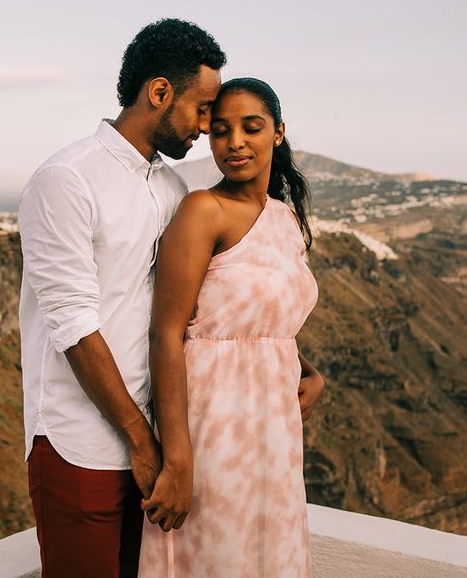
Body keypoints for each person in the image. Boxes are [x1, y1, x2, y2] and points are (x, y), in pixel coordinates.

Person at [18, 18, 227, 577]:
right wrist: (139, 438)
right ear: (159, 92)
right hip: (80, 443)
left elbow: (193, 309)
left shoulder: (172, 189)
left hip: (151, 451)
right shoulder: (66, 179)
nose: (206, 128)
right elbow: (73, 324)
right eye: (202, 108)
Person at [138, 77, 325, 577]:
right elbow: (167, 333)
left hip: (275, 433)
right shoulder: (203, 210)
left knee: (271, 555)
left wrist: (310, 370)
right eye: (220, 130)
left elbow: (267, 319)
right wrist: (177, 460)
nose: (235, 142)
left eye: (251, 127)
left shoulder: (284, 219)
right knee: (219, 559)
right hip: (214, 427)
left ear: (278, 133)